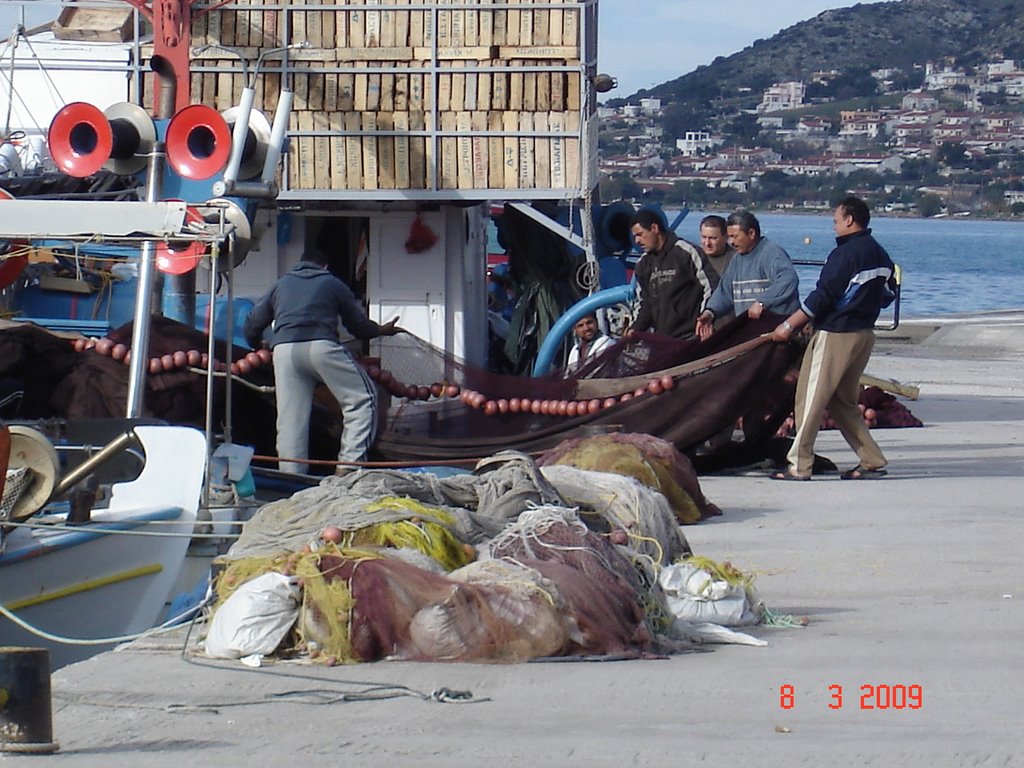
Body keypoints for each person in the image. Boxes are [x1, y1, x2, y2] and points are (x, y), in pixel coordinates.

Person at [770, 195, 896, 481]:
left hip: (837, 333)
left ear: (850, 219)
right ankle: (872, 460)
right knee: (842, 402)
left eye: (836, 220)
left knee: (810, 399)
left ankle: (799, 465)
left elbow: (824, 296)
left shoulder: (845, 254)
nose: (834, 226)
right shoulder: (880, 254)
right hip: (864, 335)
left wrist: (789, 325)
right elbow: (889, 293)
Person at [243, 249, 402, 475]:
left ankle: (291, 477)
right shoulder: (332, 283)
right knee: (363, 399)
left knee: (290, 420)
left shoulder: (280, 285)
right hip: (321, 347)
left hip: (284, 352)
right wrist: (381, 330)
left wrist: (258, 344)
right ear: (324, 266)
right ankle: (348, 466)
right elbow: (357, 326)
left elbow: (252, 322)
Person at [694, 210, 800, 341]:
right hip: (750, 333)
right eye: (729, 237)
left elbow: (788, 279)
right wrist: (710, 313)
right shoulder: (737, 259)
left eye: (735, 236)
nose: (731, 242)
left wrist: (762, 302)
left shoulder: (771, 253)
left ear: (751, 234)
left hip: (776, 333)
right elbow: (725, 292)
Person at [626, 209, 717, 339]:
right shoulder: (643, 264)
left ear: (654, 228)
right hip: (662, 340)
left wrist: (706, 316)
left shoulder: (685, 252)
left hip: (691, 336)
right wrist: (635, 328)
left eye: (640, 234)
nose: (637, 241)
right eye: (635, 236)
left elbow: (712, 286)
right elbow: (644, 303)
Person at [699, 214, 735, 279]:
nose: (707, 243)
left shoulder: (737, 259)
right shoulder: (693, 257)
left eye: (713, 238)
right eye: (704, 237)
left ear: (726, 237)